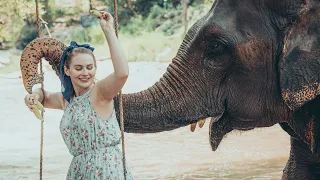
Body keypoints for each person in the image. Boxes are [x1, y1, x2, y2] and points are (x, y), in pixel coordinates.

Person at [24, 11, 133, 180]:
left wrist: (108, 31)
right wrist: (34, 95)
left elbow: (122, 74)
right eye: (79, 68)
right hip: (79, 170)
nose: (85, 73)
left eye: (90, 67)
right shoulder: (67, 100)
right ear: (67, 70)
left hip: (107, 169)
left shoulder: (100, 93)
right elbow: (43, 97)